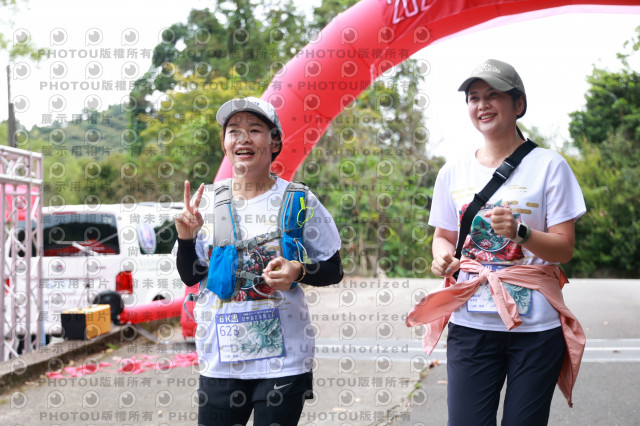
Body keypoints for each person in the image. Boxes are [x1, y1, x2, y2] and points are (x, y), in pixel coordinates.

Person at [412, 59, 587, 425]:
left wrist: (521, 233)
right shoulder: (453, 170)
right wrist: (442, 257)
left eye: (493, 95)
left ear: (518, 104)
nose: (482, 105)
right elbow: (443, 237)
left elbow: (564, 247)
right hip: (470, 325)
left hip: (536, 329)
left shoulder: (550, 166)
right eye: (474, 97)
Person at [174, 97, 343, 426]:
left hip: (284, 363)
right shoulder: (206, 202)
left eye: (254, 130)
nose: (243, 138)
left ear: (274, 141)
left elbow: (334, 269)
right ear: (224, 143)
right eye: (233, 131)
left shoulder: (298, 199)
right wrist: (185, 238)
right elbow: (190, 275)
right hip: (221, 361)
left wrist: (299, 270)